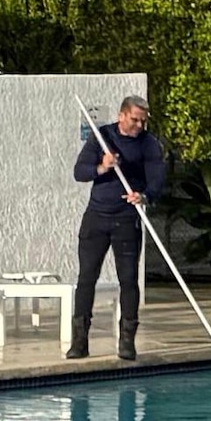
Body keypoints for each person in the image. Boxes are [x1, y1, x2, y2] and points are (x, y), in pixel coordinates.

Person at [69, 94, 168, 359]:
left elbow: (157, 180)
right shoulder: (103, 137)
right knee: (86, 278)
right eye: (135, 120)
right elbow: (80, 172)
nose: (139, 125)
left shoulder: (149, 144)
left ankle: (127, 341)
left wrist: (144, 196)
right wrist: (102, 166)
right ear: (121, 115)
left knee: (128, 280)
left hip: (126, 219)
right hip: (97, 217)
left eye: (143, 121)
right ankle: (79, 341)